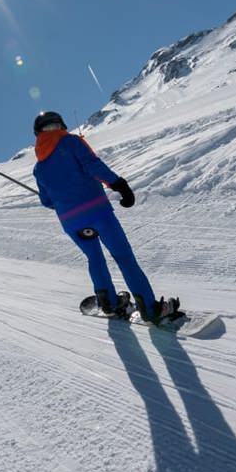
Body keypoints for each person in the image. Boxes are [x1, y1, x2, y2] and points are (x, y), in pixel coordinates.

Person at [31, 111, 178, 323]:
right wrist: (119, 185)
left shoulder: (39, 168)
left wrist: (61, 199)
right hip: (97, 211)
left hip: (71, 221)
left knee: (95, 258)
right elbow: (94, 166)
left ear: (37, 134)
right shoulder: (71, 142)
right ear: (61, 126)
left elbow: (46, 201)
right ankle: (150, 309)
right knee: (123, 257)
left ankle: (109, 304)